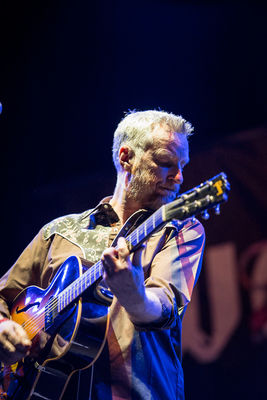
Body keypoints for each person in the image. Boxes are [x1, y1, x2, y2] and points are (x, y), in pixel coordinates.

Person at [0, 110, 205, 400]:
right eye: (165, 162)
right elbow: (3, 295)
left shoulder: (179, 229)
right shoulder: (59, 232)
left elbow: (164, 306)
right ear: (126, 158)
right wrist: (3, 327)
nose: (179, 177)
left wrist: (134, 295)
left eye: (182, 165)